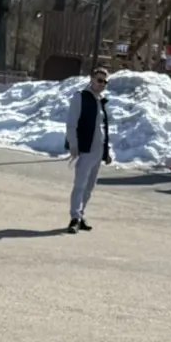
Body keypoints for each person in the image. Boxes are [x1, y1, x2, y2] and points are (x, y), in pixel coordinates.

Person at [63, 66, 111, 232]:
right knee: (80, 185)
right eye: (99, 80)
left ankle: (81, 214)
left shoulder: (102, 101)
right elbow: (71, 124)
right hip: (85, 149)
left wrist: (106, 152)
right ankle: (74, 217)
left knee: (90, 186)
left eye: (105, 81)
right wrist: (73, 145)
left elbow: (103, 128)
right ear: (91, 79)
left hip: (98, 151)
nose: (102, 84)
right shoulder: (81, 97)